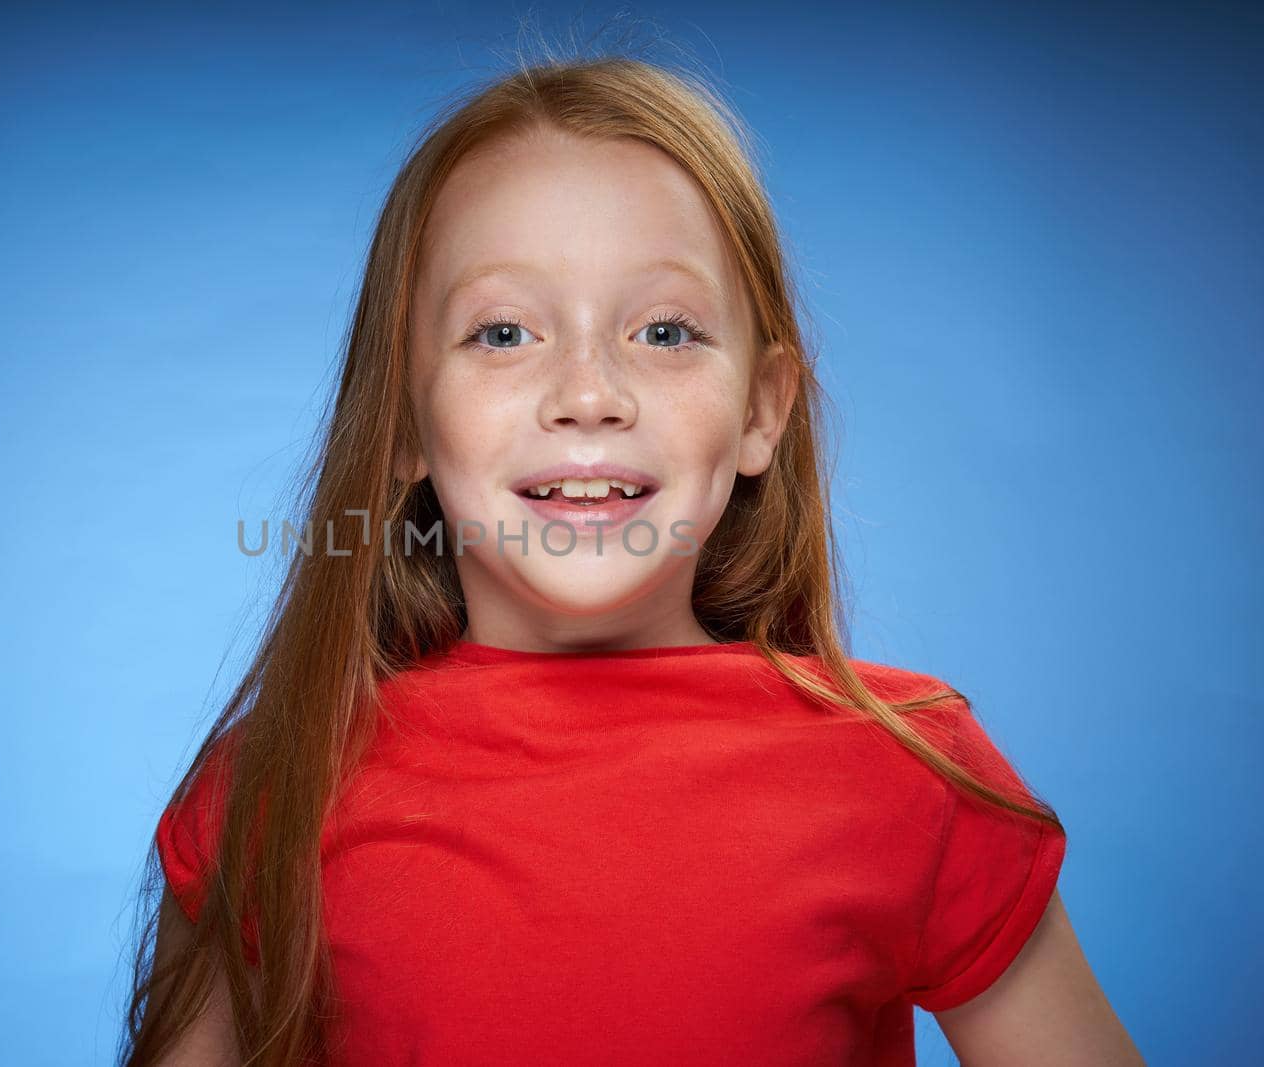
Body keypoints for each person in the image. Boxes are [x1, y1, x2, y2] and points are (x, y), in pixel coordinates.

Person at [120, 54, 1142, 1067]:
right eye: (502, 330)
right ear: (403, 422)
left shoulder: (913, 770)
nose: (588, 390)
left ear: (760, 411)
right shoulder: (270, 789)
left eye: (663, 330)